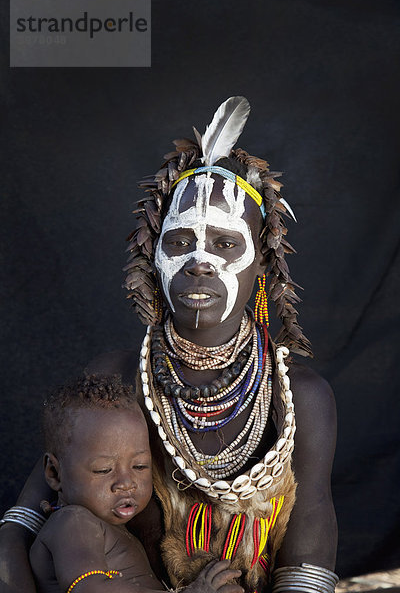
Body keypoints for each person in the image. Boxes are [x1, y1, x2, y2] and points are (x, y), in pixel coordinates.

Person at [0, 97, 338, 593]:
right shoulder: (118, 378)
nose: (200, 262)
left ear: (261, 263)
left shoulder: (299, 398)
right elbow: (24, 521)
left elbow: (309, 541)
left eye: (225, 244)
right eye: (180, 242)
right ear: (152, 255)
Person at [29, 373, 243, 593]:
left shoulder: (108, 527)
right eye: (104, 470)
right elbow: (87, 588)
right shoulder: (73, 522)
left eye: (139, 466)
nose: (126, 483)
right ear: (55, 473)